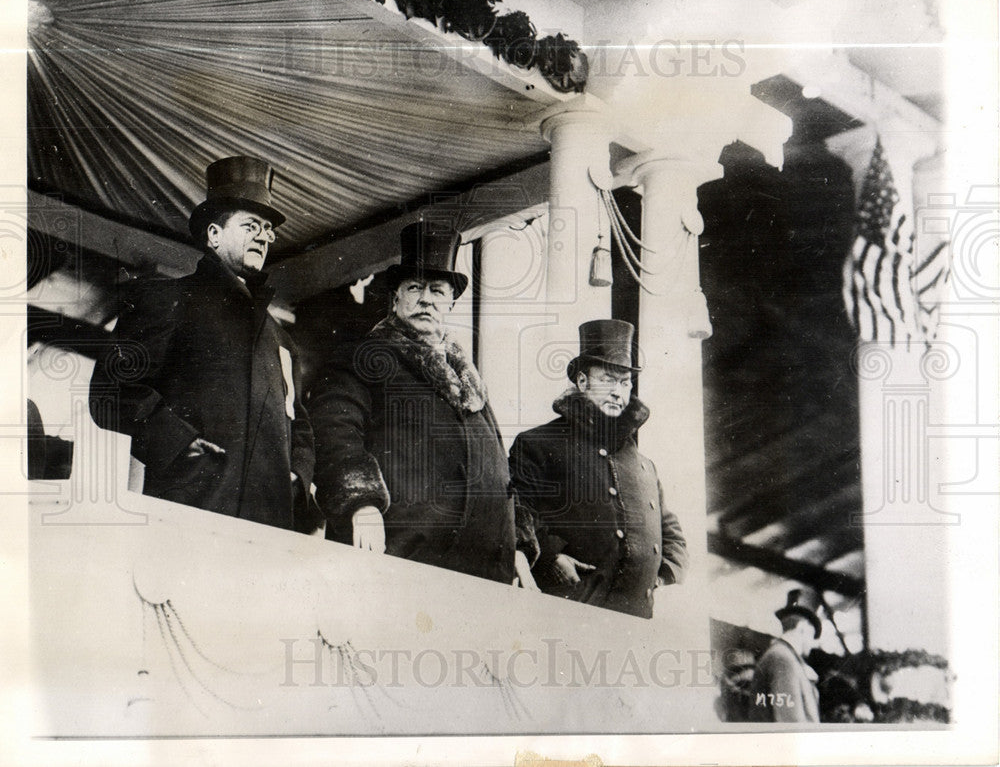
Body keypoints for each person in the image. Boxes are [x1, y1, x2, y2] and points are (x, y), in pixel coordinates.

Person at [89, 156, 315, 531]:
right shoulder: (167, 300)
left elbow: (301, 426)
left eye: (267, 229)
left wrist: (297, 478)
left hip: (271, 528)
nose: (263, 236)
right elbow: (111, 391)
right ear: (214, 235)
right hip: (193, 512)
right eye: (250, 225)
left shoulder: (281, 339)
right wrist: (181, 444)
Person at [307, 221, 537, 586]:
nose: (426, 298)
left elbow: (501, 473)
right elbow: (335, 429)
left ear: (450, 302)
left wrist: (518, 547)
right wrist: (361, 501)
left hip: (483, 573)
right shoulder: (364, 357)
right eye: (414, 287)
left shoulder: (470, 382)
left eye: (437, 289)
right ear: (395, 298)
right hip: (402, 559)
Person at [508, 319, 688, 618]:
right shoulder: (538, 443)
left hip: (636, 618)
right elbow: (517, 510)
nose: (619, 392)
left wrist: (662, 576)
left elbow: (672, 533)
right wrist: (550, 557)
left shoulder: (644, 465)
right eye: (608, 379)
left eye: (625, 382)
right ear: (582, 382)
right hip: (568, 610)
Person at [748, 587, 823, 722]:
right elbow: (790, 725)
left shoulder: (781, 656)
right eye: (812, 636)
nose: (813, 644)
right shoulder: (783, 659)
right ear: (802, 628)